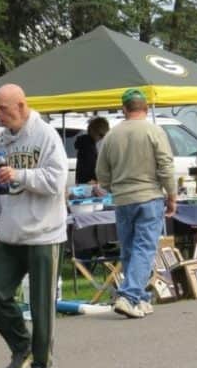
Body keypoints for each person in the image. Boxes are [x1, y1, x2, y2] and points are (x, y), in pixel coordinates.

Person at [0, 84, 68, 368]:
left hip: (44, 232)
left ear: (21, 105)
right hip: (11, 232)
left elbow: (57, 181)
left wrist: (21, 175)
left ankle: (43, 363)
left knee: (41, 303)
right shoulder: (3, 142)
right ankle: (22, 346)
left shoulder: (45, 135)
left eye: (3, 109)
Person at [97, 88, 176, 320]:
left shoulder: (111, 135)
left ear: (124, 109)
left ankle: (140, 299)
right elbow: (165, 166)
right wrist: (172, 195)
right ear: (147, 108)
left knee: (129, 249)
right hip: (149, 196)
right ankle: (129, 296)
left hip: (122, 199)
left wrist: (115, 188)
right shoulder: (155, 131)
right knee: (144, 247)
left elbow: (101, 173)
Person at [74, 116, 109, 185]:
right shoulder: (88, 145)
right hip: (89, 183)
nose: (101, 138)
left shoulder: (85, 142)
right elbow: (91, 166)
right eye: (101, 135)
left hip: (84, 182)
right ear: (93, 131)